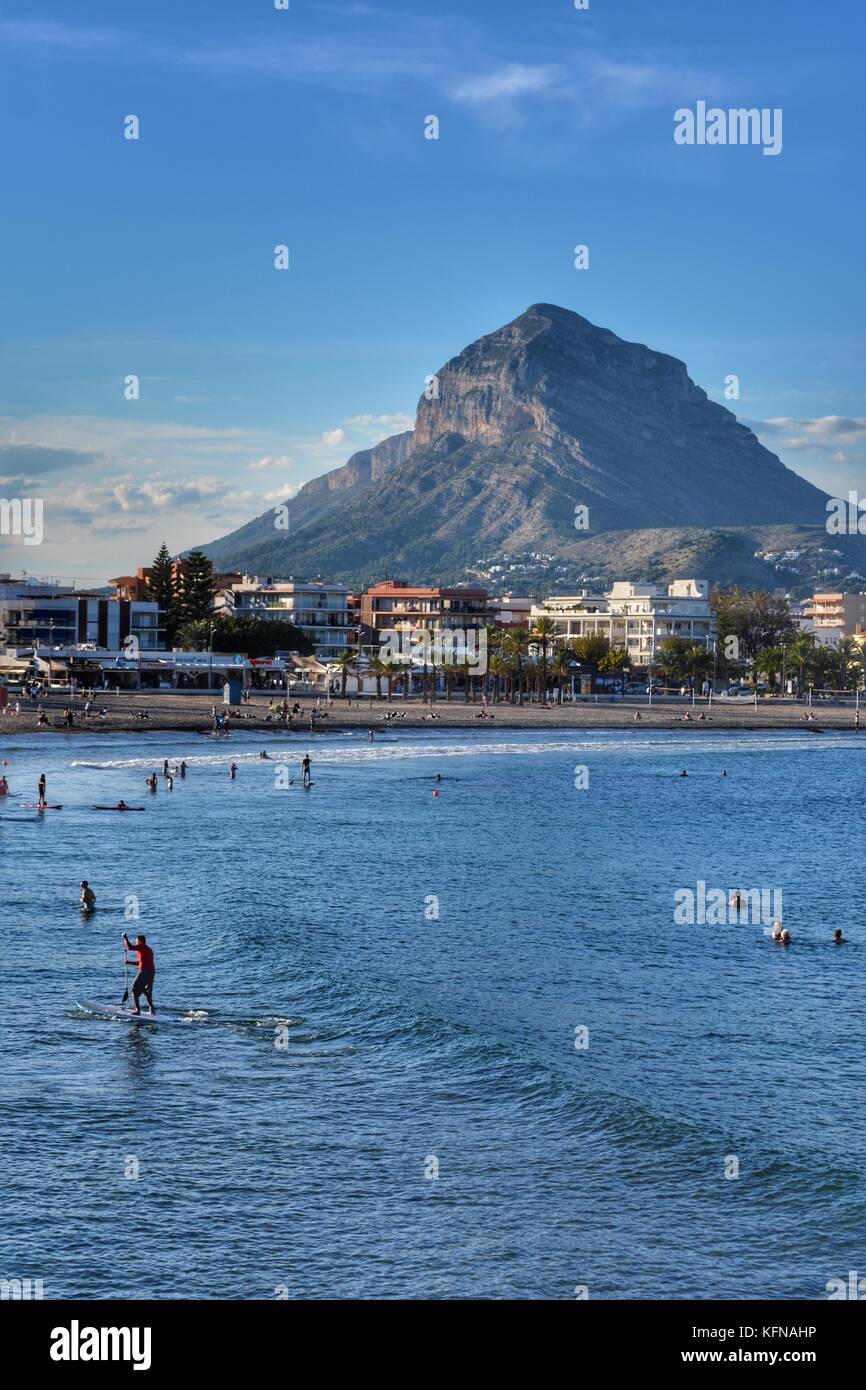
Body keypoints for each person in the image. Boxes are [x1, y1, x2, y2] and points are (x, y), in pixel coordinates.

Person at [123, 932, 156, 1015]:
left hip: (144, 972)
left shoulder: (142, 947)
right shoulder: (149, 949)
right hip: (151, 972)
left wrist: (125, 938)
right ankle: (152, 1010)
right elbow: (141, 962)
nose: (136, 943)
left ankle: (138, 1011)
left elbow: (130, 947)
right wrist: (129, 962)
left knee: (134, 990)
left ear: (140, 941)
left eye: (137, 941)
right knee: (147, 992)